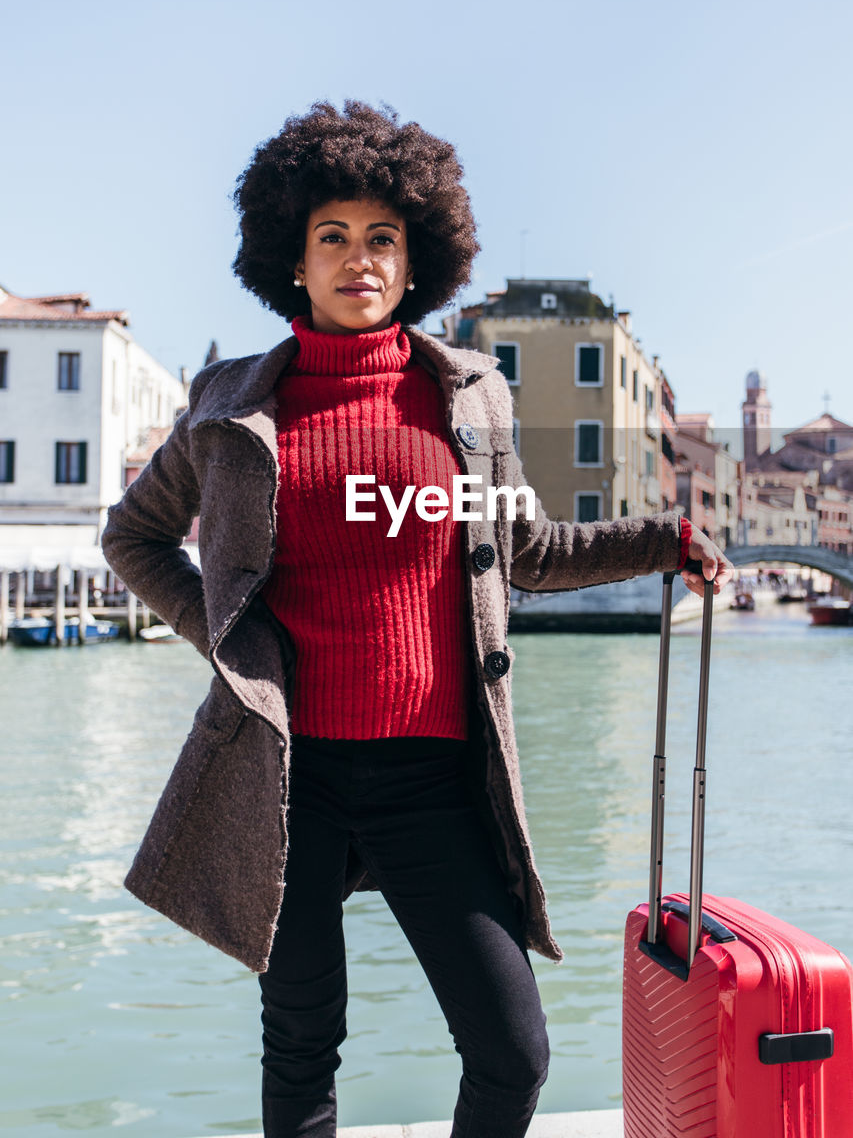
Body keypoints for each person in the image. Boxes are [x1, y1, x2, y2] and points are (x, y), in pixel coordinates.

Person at [101, 100, 732, 1138]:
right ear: (292, 261)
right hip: (288, 774)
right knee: (303, 1043)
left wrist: (660, 540)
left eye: (382, 237)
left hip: (434, 776)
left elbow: (525, 551)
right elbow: (135, 536)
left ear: (415, 258)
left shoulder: (468, 396)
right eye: (333, 237)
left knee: (512, 1049)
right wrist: (232, 640)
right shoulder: (226, 407)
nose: (360, 259)